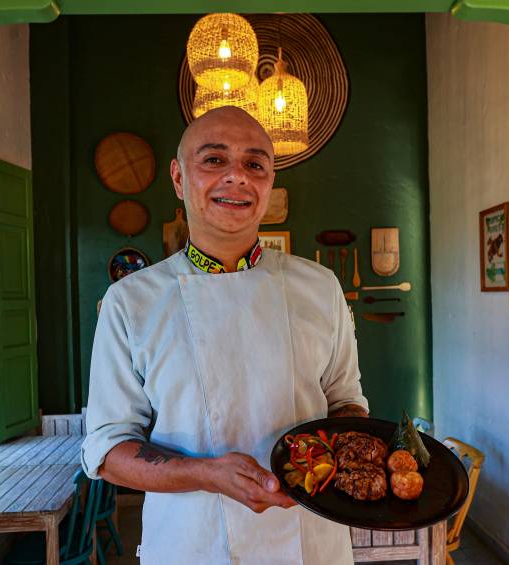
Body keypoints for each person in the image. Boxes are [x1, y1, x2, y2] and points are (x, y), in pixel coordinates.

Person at [81, 106, 369, 564]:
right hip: (191, 545)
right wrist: (206, 473)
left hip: (310, 541)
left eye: (255, 164)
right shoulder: (131, 301)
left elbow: (345, 401)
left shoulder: (320, 287)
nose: (237, 176)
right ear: (178, 178)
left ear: (269, 183)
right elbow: (108, 449)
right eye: (214, 160)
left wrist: (341, 452)